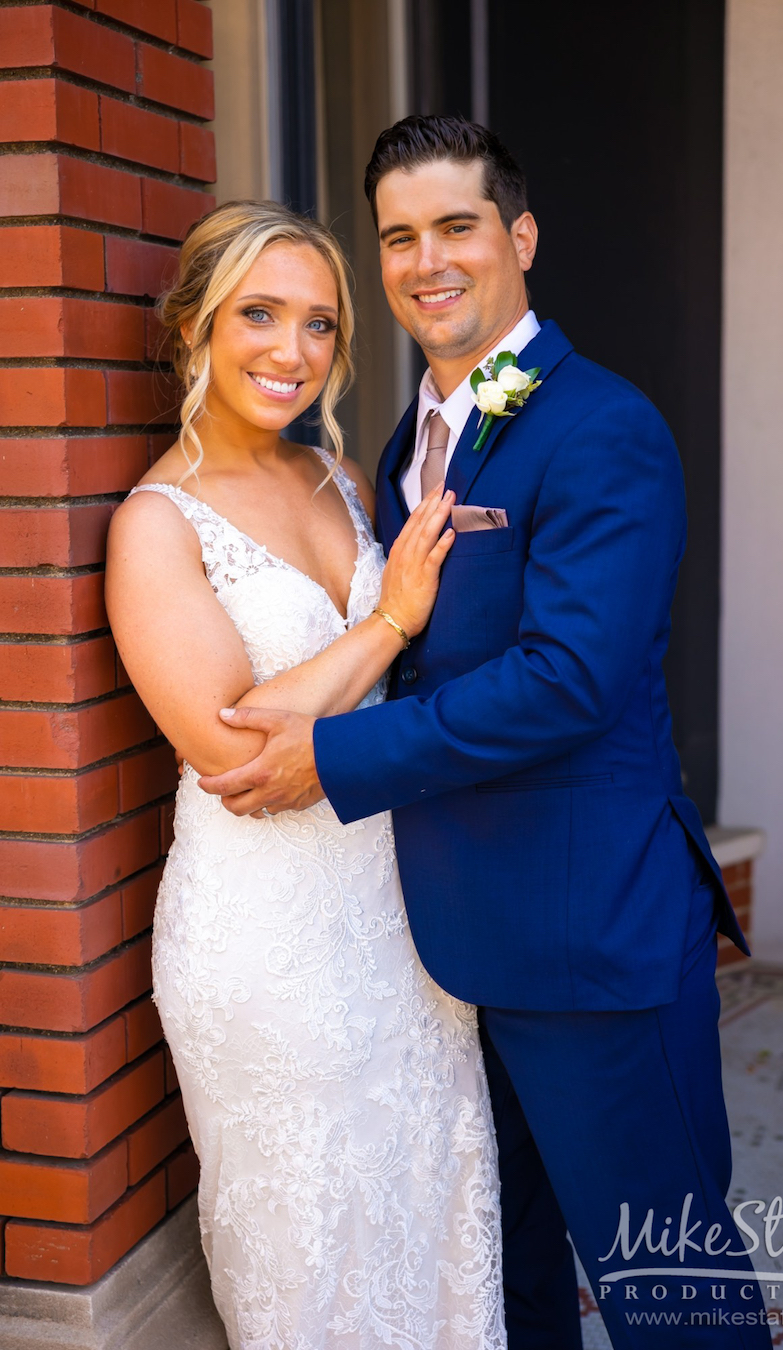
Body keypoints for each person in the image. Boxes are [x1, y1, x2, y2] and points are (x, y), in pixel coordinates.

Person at [199, 120, 775, 1349]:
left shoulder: (603, 426)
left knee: (672, 1295)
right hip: (448, 953)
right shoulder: (415, 437)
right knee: (511, 1282)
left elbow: (567, 678)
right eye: (399, 236)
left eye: (457, 227)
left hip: (590, 935)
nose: (426, 261)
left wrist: (334, 758)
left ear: (518, 237)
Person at [105, 200, 506, 1350]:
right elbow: (235, 752)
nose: (292, 351)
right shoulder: (155, 526)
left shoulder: (340, 477)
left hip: (395, 916)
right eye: (260, 315)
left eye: (320, 324)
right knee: (310, 1252)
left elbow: (371, 697)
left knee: (427, 1203)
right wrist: (387, 619)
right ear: (195, 326)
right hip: (264, 946)